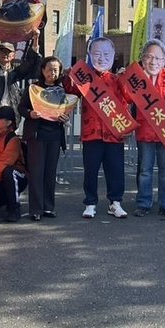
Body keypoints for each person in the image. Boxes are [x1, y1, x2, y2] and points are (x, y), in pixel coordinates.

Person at [63, 37, 129, 220]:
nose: (101, 58)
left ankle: (115, 203)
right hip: (91, 132)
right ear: (90, 55)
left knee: (116, 170)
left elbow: (131, 98)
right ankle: (90, 203)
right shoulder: (84, 79)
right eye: (97, 53)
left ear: (114, 56)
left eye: (106, 54)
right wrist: (68, 73)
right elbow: (69, 89)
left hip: (114, 133)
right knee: (90, 170)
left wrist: (126, 78)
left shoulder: (118, 80)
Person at [134, 39, 165, 219]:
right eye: (149, 57)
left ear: (164, 61)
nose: (153, 62)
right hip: (145, 130)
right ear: (142, 58)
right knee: (145, 169)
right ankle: (143, 203)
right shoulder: (136, 77)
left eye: (158, 58)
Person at [19, 56, 69, 221]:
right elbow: (21, 107)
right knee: (36, 173)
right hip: (37, 135)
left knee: (50, 173)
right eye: (49, 69)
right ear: (43, 70)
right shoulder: (34, 88)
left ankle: (49, 207)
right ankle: (35, 209)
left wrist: (65, 118)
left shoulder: (62, 90)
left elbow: (65, 110)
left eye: (56, 70)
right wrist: (30, 113)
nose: (52, 73)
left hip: (55, 135)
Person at [0, 27, 41, 130]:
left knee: (10, 139)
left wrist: (35, 39)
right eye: (2, 51)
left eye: (8, 52)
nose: (5, 54)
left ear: (13, 55)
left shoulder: (16, 72)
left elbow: (30, 61)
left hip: (12, 112)